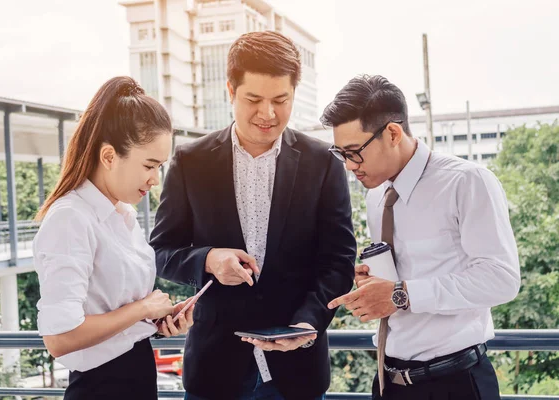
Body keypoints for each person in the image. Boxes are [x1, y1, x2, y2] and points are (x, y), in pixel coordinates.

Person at [149, 31, 357, 400]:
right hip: (216, 371)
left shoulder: (323, 162)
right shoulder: (190, 161)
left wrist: (307, 324)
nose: (268, 113)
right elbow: (162, 251)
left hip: (298, 372)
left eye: (281, 100)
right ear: (230, 90)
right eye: (254, 99)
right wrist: (209, 259)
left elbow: (338, 261)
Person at [324, 75, 520, 400]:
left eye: (354, 152)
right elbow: (407, 278)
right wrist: (375, 282)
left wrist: (401, 294)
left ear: (392, 133)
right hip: (389, 382)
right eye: (340, 152)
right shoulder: (376, 195)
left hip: (456, 384)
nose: (347, 165)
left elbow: (501, 279)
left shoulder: (467, 182)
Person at [33, 76, 194, 400]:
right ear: (108, 157)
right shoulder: (71, 218)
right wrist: (142, 308)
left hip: (135, 375)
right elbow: (60, 338)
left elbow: (117, 316)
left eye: (160, 167)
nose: (154, 180)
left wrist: (156, 320)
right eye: (149, 165)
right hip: (100, 388)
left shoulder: (121, 217)